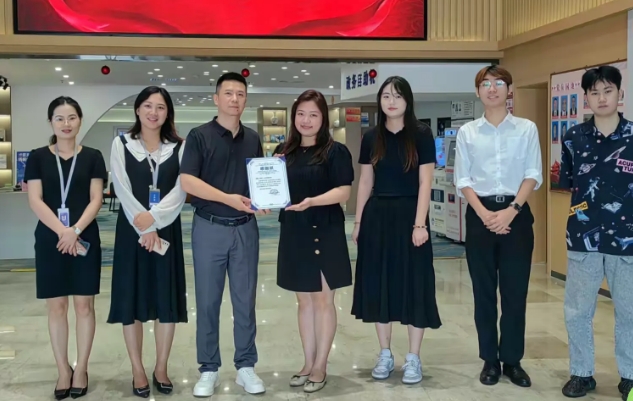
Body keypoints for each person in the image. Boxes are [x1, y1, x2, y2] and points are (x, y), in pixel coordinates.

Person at [453, 65, 542, 388]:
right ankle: (490, 360)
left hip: (516, 216)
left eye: (499, 83)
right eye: (486, 84)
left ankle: (513, 361)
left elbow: (533, 173)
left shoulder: (526, 129)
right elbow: (462, 179)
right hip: (480, 217)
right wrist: (485, 214)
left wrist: (511, 211)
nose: (492, 89)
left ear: (510, 90)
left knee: (515, 294)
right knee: (484, 294)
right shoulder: (468, 132)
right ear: (478, 92)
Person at [180, 72, 267, 397]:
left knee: (245, 300)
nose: (235, 99)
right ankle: (209, 369)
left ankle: (246, 366)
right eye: (228, 93)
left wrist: (265, 198)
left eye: (240, 94)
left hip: (245, 230)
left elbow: (258, 180)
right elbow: (188, 181)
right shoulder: (199, 136)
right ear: (216, 98)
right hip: (209, 227)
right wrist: (228, 199)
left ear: (246, 100)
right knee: (207, 301)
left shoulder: (252, 138)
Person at [351, 76, 441, 385]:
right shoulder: (371, 137)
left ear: (407, 101)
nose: (391, 101)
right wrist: (358, 222)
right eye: (386, 96)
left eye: (397, 96)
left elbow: (425, 182)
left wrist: (420, 223)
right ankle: (385, 353)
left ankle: (413, 357)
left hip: (411, 215)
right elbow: (365, 181)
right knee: (381, 283)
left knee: (415, 284)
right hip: (378, 216)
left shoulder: (422, 134)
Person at [107, 86, 188, 398]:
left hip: (166, 230)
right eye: (148, 106)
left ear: (168, 113)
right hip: (132, 232)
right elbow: (121, 186)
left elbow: (181, 190)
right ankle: (138, 369)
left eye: (161, 107)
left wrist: (153, 221)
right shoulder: (121, 144)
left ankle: (161, 367)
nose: (154, 112)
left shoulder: (179, 147)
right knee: (132, 299)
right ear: (138, 109)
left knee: (166, 300)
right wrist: (144, 225)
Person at [558, 65, 633, 400]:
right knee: (578, 311)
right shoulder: (573, 137)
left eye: (608, 91)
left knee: (629, 312)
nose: (602, 98)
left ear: (620, 93)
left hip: (627, 240)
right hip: (583, 236)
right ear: (586, 98)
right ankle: (581, 373)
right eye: (594, 92)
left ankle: (630, 375)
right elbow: (569, 183)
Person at [24, 96, 107, 400]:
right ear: (51, 122)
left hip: (84, 237)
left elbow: (96, 199)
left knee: (84, 307)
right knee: (56, 307)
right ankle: (63, 369)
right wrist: (63, 231)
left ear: (80, 121)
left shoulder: (93, 156)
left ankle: (81, 368)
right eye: (59, 118)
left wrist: (75, 231)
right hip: (51, 239)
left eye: (71, 117)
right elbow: (35, 200)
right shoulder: (37, 157)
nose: (66, 124)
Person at [273, 90, 354, 393]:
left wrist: (312, 201)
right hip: (294, 230)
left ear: (324, 118)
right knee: (303, 300)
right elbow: (274, 190)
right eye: (301, 114)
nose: (306, 120)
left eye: (313, 114)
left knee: (323, 300)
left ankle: (321, 365)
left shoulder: (335, 151)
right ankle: (307, 363)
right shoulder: (284, 152)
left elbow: (344, 191)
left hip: (324, 229)